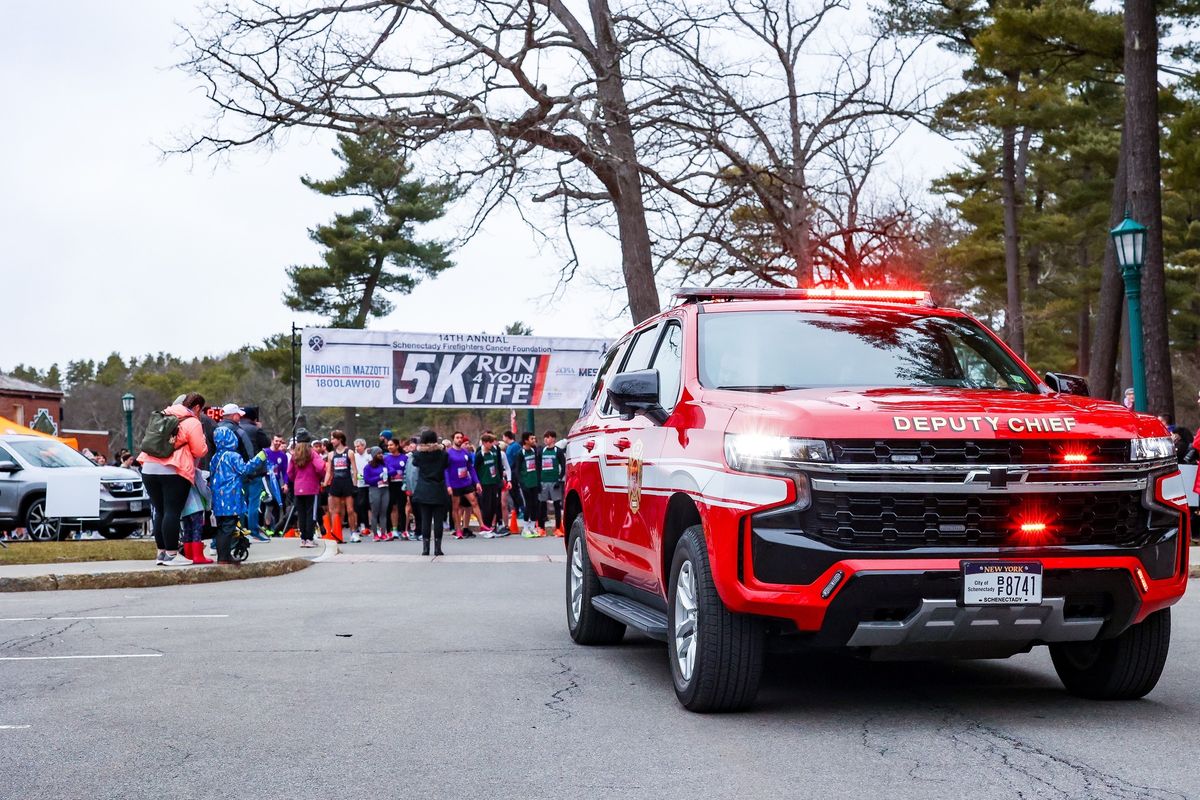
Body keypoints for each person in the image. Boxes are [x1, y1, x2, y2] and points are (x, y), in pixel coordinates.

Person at [137, 392, 209, 566]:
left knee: (160, 511)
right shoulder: (192, 422)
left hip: (148, 468)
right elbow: (200, 451)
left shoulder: (162, 415)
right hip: (174, 470)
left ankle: (161, 553)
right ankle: (171, 554)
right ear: (197, 407)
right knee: (172, 511)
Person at [210, 427, 268, 564]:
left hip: (218, 498)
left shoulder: (215, 457)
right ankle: (224, 557)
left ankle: (221, 555)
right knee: (229, 527)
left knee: (221, 528)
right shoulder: (233, 456)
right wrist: (259, 458)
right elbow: (244, 470)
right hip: (231, 497)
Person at [410, 430, 449, 556]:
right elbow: (446, 465)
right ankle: (438, 548)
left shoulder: (418, 455)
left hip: (424, 489)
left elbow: (415, 463)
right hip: (438, 488)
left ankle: (425, 548)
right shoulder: (442, 454)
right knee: (438, 520)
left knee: (425, 519)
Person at [287, 429, 326, 548]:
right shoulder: (312, 453)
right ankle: (309, 538)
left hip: (298, 488)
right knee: (311, 514)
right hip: (312, 488)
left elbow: (290, 473)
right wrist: (320, 477)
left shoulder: (294, 455)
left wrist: (297, 480)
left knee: (302, 514)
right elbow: (320, 468)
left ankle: (303, 538)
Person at [445, 431, 487, 539]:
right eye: (457, 437)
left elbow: (471, 468)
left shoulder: (465, 452)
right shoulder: (448, 453)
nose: (459, 439)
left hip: (466, 482)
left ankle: (482, 525)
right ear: (453, 439)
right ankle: (458, 530)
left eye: (461, 438)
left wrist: (477, 482)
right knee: (456, 507)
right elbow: (445, 470)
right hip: (455, 484)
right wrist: (448, 485)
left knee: (474, 501)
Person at [324, 430, 358, 542]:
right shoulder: (331, 454)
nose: (331, 441)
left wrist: (355, 485)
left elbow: (354, 470)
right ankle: (337, 533)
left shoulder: (349, 452)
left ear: (340, 439)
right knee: (336, 510)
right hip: (336, 483)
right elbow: (329, 471)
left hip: (347, 482)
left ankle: (353, 532)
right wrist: (325, 483)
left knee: (350, 509)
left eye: (333, 438)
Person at [514, 431, 545, 536]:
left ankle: (532, 527)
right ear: (526, 440)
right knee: (528, 505)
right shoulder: (520, 453)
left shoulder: (534, 450)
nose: (533, 440)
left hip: (534, 482)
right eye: (531, 439)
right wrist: (522, 483)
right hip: (526, 483)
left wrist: (538, 481)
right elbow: (517, 470)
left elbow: (537, 467)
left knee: (535, 504)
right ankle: (525, 528)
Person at [474, 433, 506, 537]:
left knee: (494, 505)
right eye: (490, 442)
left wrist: (500, 480)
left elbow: (497, 466)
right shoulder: (480, 454)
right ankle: (485, 527)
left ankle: (490, 526)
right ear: (484, 443)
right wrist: (477, 483)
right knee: (486, 506)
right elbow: (475, 469)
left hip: (494, 482)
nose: (492, 444)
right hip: (484, 483)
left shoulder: (493, 452)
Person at [538, 430, 567, 536]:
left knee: (557, 506)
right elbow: (538, 466)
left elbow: (564, 466)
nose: (546, 439)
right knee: (541, 505)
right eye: (545, 437)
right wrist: (538, 481)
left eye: (548, 437)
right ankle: (541, 528)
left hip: (554, 481)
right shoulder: (541, 450)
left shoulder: (558, 451)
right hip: (543, 481)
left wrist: (559, 479)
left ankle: (558, 528)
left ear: (553, 439)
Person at [262, 435, 290, 535]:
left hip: (277, 481)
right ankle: (267, 526)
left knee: (279, 503)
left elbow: (285, 471)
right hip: (266, 480)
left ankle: (277, 527)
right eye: (276, 441)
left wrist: (285, 484)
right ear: (272, 441)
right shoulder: (265, 452)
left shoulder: (283, 455)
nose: (278, 443)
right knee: (270, 501)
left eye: (280, 441)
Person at [363, 447, 391, 541]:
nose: (381, 455)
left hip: (385, 489)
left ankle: (383, 533)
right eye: (378, 453)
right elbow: (367, 480)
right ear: (374, 455)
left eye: (381, 453)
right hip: (374, 489)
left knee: (384, 512)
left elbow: (393, 471)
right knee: (375, 513)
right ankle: (375, 534)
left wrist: (387, 473)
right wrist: (378, 477)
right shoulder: (368, 467)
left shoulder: (384, 464)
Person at [385, 437, 409, 539]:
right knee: (391, 507)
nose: (389, 447)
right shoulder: (386, 458)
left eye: (391, 445)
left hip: (401, 485)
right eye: (388, 445)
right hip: (390, 485)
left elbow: (408, 471)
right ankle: (392, 530)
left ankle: (403, 530)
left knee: (401, 508)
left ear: (397, 446)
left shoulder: (404, 458)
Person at [353, 438, 371, 539]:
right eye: (355, 446)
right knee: (360, 505)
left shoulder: (369, 455)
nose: (357, 448)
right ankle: (362, 525)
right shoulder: (354, 456)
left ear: (364, 446)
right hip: (359, 485)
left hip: (370, 484)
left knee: (370, 505)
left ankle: (371, 526)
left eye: (358, 446)